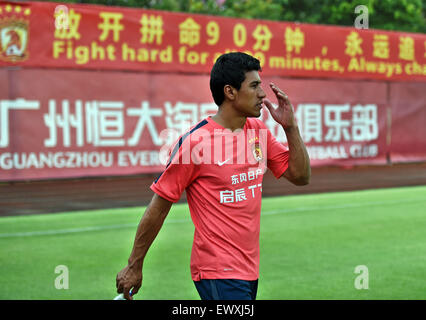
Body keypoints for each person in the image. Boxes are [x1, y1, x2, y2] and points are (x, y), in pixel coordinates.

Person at [116, 52, 311, 300]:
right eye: (254, 86)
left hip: (248, 270)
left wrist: (290, 128)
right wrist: (135, 265)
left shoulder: (257, 130)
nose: (262, 94)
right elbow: (159, 205)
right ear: (230, 92)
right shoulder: (196, 143)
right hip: (218, 271)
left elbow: (300, 176)